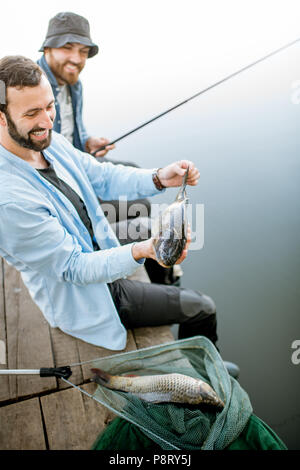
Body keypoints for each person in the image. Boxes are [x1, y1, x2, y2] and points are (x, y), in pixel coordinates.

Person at [0, 55, 219, 352]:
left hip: (98, 248)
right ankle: (203, 368)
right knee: (202, 307)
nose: (46, 120)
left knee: (145, 224)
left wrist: (158, 178)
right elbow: (75, 267)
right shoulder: (10, 202)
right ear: (2, 117)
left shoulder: (46, 140)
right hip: (89, 296)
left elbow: (99, 175)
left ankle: (164, 290)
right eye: (32, 113)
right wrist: (143, 250)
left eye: (50, 106)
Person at [37, 11, 179, 284]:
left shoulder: (73, 84)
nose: (77, 59)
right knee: (140, 211)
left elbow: (69, 133)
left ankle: (154, 269)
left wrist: (87, 143)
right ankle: (151, 275)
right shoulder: (34, 86)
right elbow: (40, 152)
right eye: (67, 48)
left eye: (83, 51)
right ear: (47, 47)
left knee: (139, 183)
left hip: (75, 163)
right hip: (62, 187)